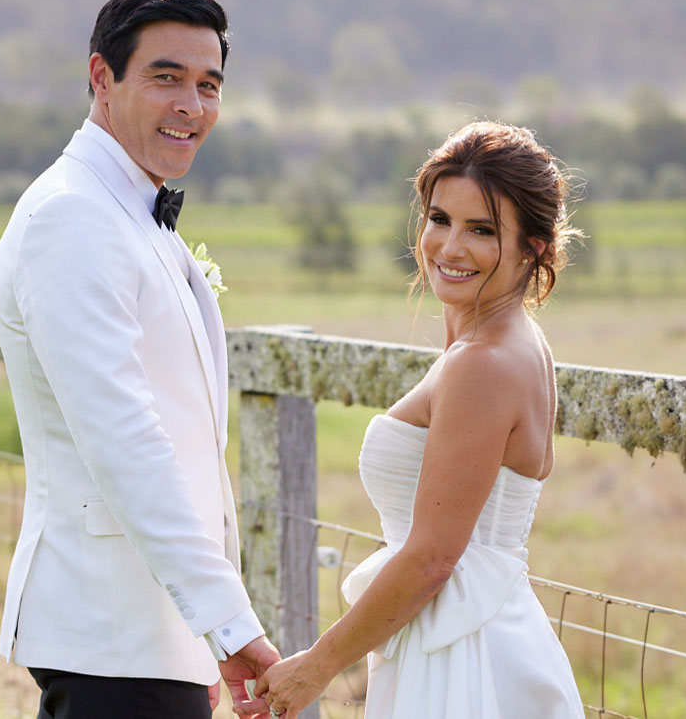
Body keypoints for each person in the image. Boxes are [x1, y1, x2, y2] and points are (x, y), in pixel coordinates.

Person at [0, 0, 279, 718]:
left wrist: (201, 631)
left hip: (153, 631)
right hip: (112, 629)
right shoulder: (73, 217)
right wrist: (227, 621)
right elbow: (123, 438)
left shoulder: (129, 211)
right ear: (101, 77)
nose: (192, 105)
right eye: (166, 77)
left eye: (208, 85)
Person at [251, 122, 586, 719]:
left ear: (534, 247)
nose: (450, 248)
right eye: (439, 219)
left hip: (464, 660)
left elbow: (432, 560)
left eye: (482, 230)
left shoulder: (482, 364)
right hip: (466, 634)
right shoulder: (511, 342)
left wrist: (316, 667)